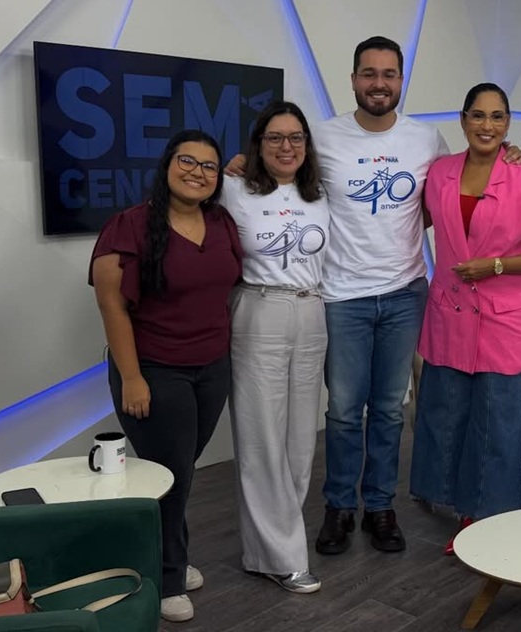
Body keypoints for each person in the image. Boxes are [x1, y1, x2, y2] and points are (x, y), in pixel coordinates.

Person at [227, 36, 521, 555]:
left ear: (401, 80)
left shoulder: (425, 140)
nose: (379, 83)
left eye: (389, 74)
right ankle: (340, 506)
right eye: (369, 73)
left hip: (406, 293)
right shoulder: (323, 137)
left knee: (388, 409)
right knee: (344, 410)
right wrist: (239, 162)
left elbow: (458, 184)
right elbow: (281, 165)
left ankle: (380, 506)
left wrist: (508, 151)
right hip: (341, 296)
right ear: (354, 80)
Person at [89, 130, 242, 623]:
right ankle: (167, 578)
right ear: (167, 165)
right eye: (187, 161)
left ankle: (162, 554)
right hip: (155, 369)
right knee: (171, 475)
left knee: (179, 470)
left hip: (212, 366)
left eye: (209, 166)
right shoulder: (129, 226)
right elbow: (111, 305)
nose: (198, 172)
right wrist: (132, 377)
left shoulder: (221, 222)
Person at [410, 83, 521, 554]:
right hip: (450, 314)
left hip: (505, 320)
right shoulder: (439, 173)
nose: (487, 125)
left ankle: (492, 519)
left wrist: (495, 266)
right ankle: (458, 503)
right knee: (449, 415)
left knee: (500, 423)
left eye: (497, 117)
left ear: (508, 124)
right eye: (478, 115)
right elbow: (407, 220)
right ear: (463, 120)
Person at [221, 101, 330, 593]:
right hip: (259, 308)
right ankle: (282, 556)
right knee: (261, 436)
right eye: (275, 137)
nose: (287, 146)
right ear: (258, 144)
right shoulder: (233, 189)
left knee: (300, 441)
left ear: (307, 145)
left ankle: (270, 546)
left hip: (312, 311)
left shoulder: (320, 194)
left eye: (296, 137)